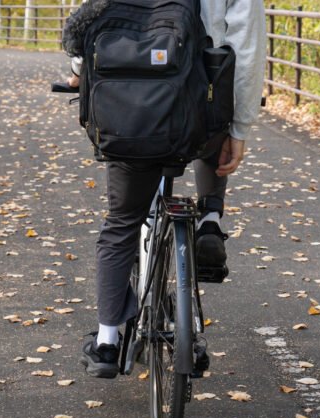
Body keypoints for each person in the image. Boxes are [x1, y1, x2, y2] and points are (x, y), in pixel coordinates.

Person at [62, 0, 267, 378]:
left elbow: (93, 21)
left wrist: (78, 71)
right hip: (195, 117)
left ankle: (107, 342)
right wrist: (239, 126)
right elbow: (246, 48)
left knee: (122, 220)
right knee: (212, 111)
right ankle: (208, 219)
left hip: (130, 118)